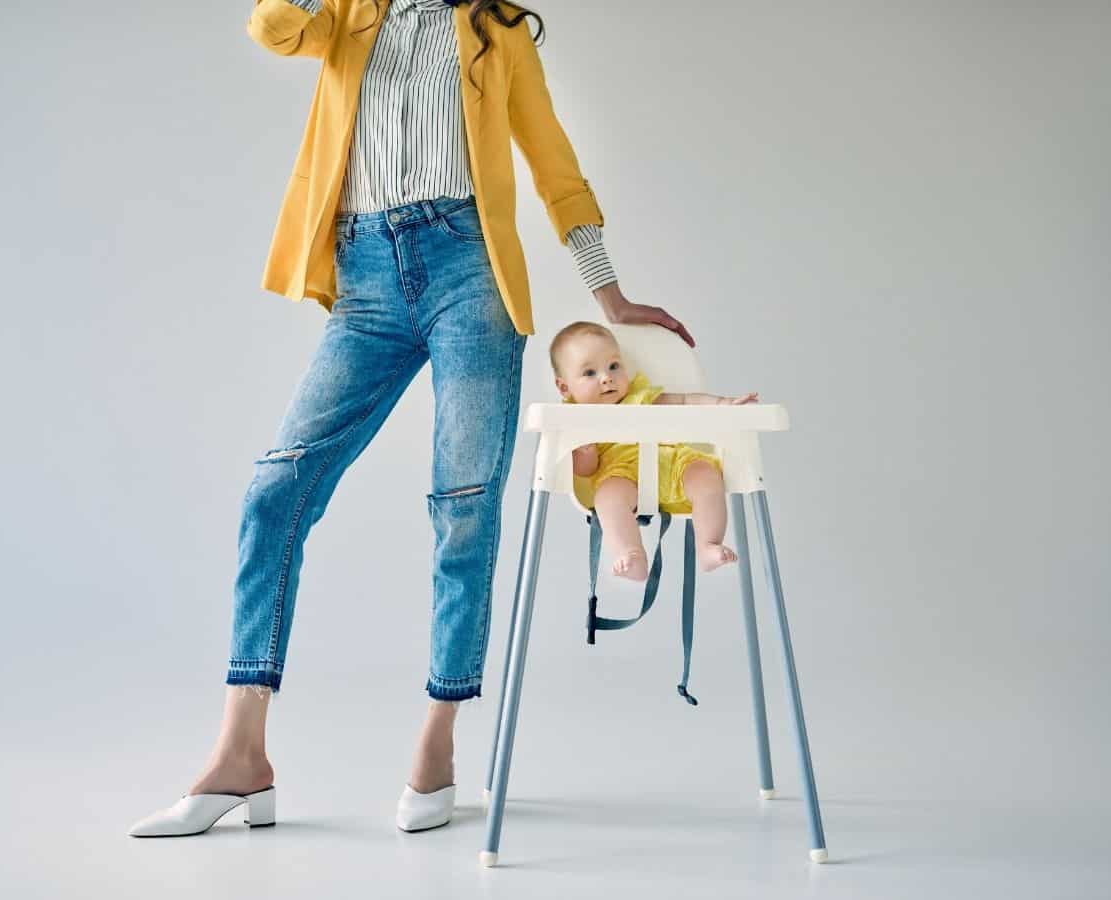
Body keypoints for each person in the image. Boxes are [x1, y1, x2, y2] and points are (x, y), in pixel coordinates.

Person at [128, 0, 696, 838]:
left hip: (470, 272)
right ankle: (241, 755)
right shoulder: (348, 14)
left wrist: (608, 291)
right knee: (275, 492)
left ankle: (438, 738)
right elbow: (271, 29)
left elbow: (555, 165)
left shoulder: (496, 35)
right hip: (365, 275)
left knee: (463, 509)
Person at [550, 321, 758, 581]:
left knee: (706, 475)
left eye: (614, 366)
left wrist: (722, 404)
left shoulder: (640, 397)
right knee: (607, 499)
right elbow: (584, 471)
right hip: (620, 474)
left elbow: (684, 401)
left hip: (672, 462)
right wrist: (586, 451)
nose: (606, 377)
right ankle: (632, 553)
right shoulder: (576, 419)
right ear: (564, 387)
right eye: (590, 372)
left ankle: (708, 544)